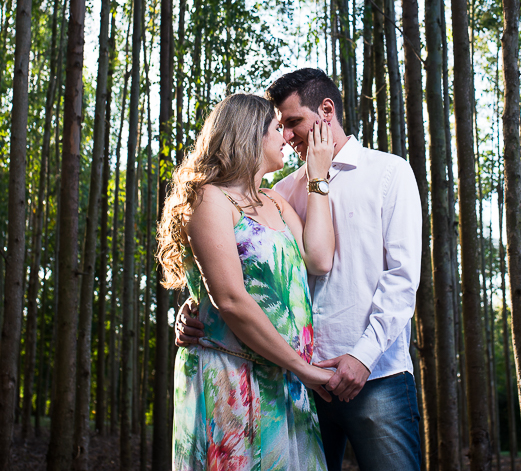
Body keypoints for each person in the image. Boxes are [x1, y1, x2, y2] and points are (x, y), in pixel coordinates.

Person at [178, 69, 423, 471]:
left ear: (326, 111)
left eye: (292, 122)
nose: (287, 136)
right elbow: (241, 271)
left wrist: (361, 358)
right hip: (292, 379)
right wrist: (194, 307)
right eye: (281, 126)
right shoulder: (282, 189)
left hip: (374, 375)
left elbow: (400, 279)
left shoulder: (389, 172)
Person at [156, 92, 337, 470]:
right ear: (251, 135)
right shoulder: (208, 199)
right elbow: (231, 300)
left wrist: (318, 178)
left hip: (283, 380)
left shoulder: (275, 201)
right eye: (277, 128)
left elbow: (319, 258)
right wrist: (304, 369)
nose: (286, 136)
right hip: (232, 377)